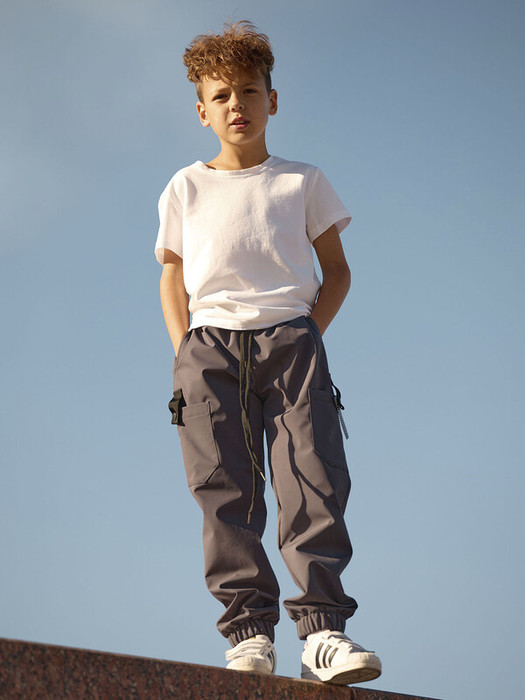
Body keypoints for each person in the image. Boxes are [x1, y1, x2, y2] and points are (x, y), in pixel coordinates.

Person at [154, 21, 381, 685]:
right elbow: (171, 275)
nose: (237, 105)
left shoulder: (301, 181)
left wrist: (308, 333)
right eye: (221, 95)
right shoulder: (185, 187)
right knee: (224, 489)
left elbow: (337, 271)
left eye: (249, 91)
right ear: (202, 111)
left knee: (312, 480)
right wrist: (183, 351)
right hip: (208, 351)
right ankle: (249, 635)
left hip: (292, 344)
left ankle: (323, 634)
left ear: (271, 101)